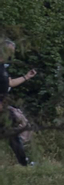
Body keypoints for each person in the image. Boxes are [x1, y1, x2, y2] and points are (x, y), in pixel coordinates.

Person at [1, 39, 37, 167]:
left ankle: (24, 163)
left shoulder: (2, 68)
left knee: (14, 135)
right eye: (9, 52)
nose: (11, 56)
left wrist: (26, 77)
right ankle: (24, 163)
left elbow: (10, 83)